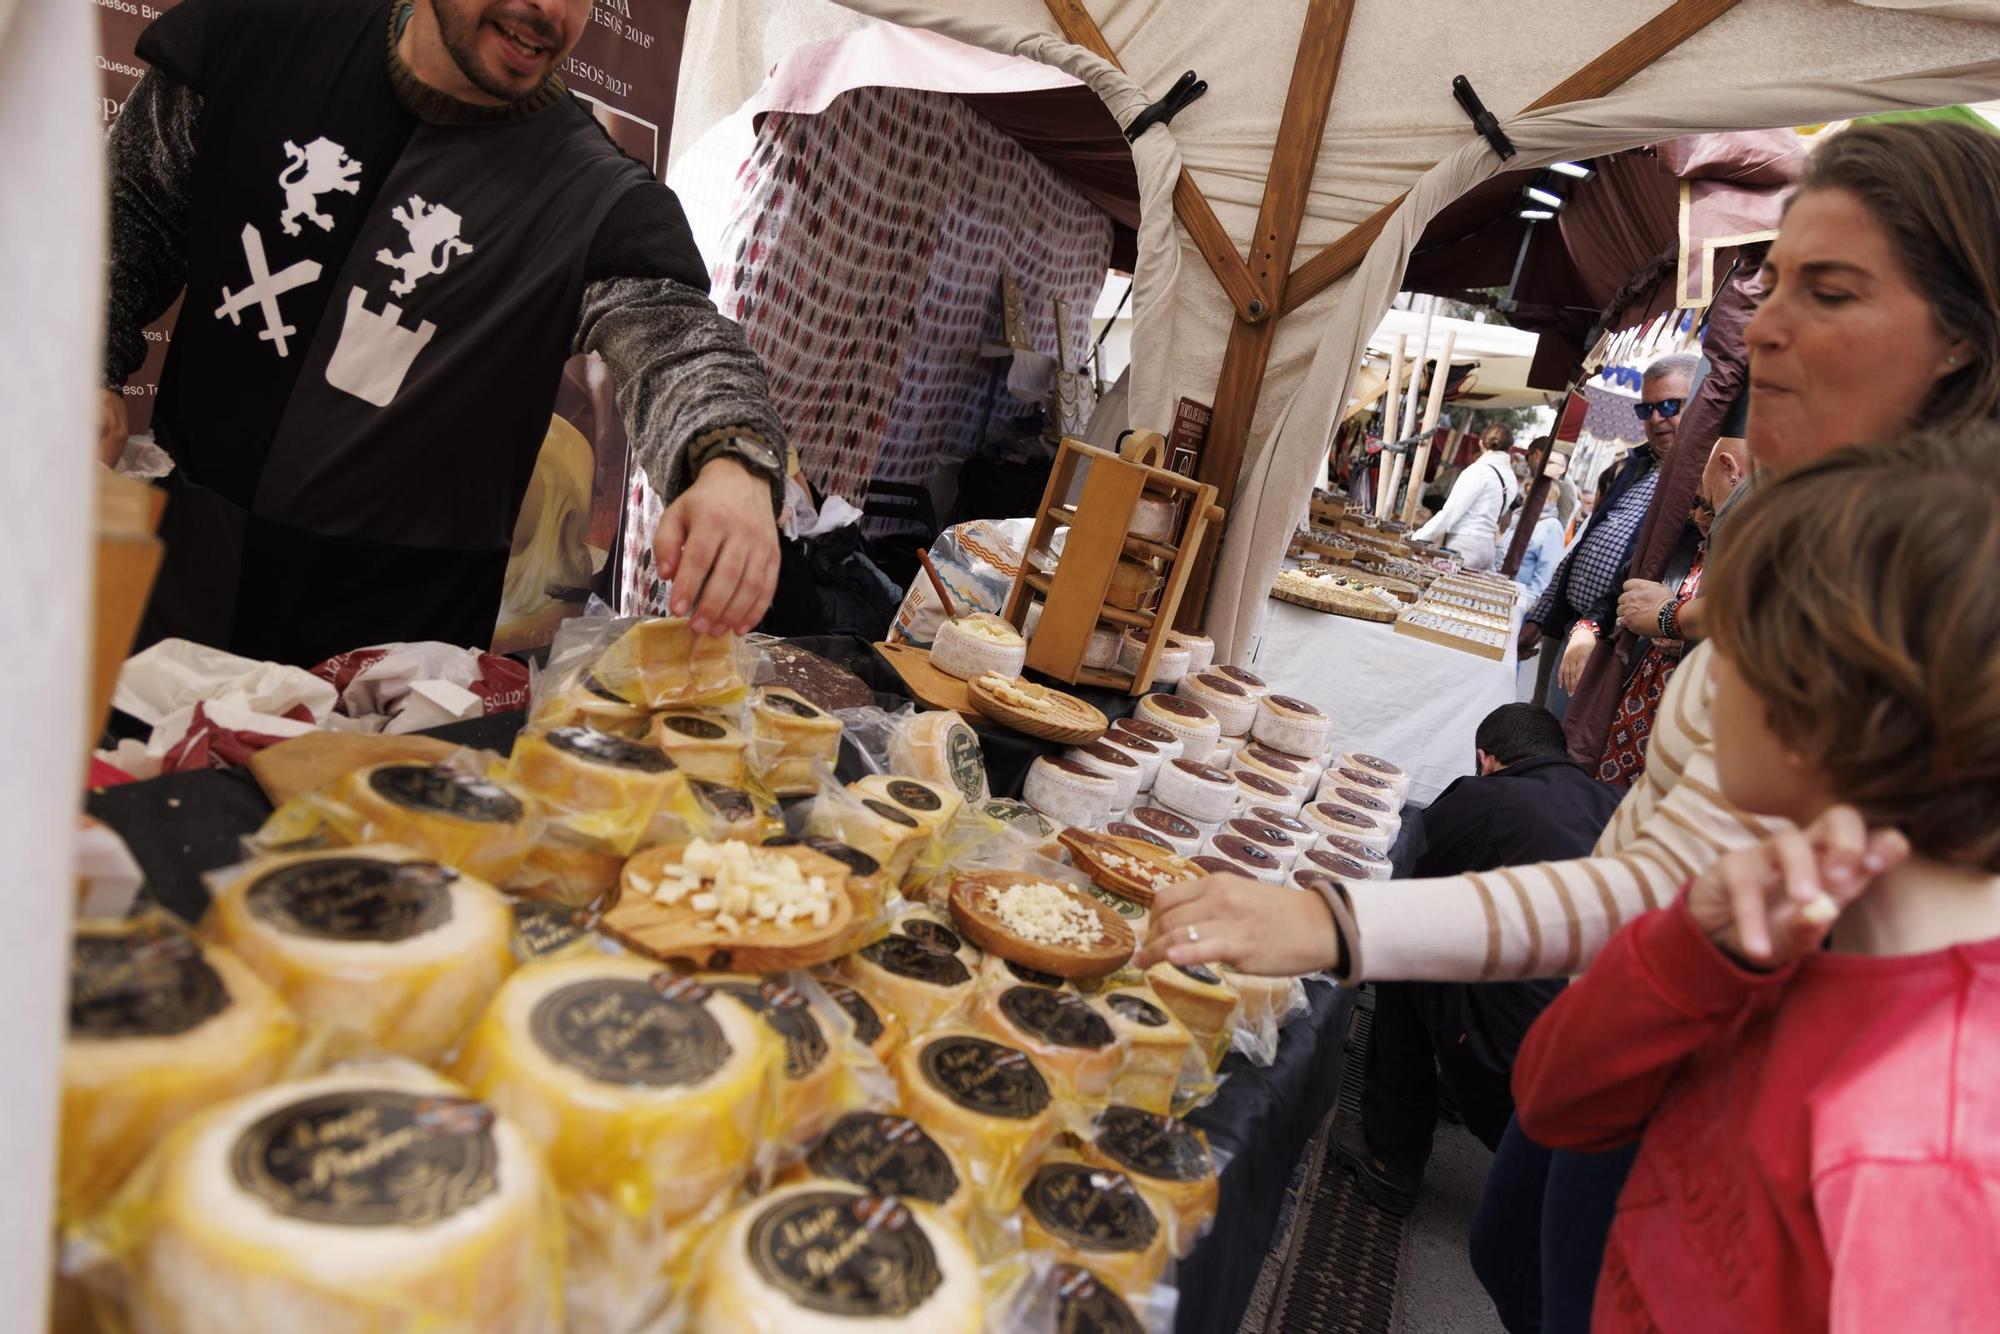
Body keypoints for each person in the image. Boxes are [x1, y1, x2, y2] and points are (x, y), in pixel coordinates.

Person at [1134, 116, 2000, 1334]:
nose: (1767, 327)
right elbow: (1646, 917)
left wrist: (1336, 923)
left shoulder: (1923, 595)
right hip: (1668, 1057)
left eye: (1831, 289)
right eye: (1770, 280)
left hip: (1733, 1126)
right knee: (1521, 1246)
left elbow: (1654, 884)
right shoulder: (1813, 528)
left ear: (1961, 338)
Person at [100, 0, 787, 667]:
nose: (549, 10)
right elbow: (120, 220)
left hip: (389, 672)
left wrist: (730, 460)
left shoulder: (592, 195)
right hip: (169, 593)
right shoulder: (258, 31)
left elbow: (681, 345)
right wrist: (86, 365)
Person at [1513, 427, 2000, 1333]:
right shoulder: (1769, 910)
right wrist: (1684, 959)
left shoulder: (1939, 1120)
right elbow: (1557, 1095)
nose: (1704, 663)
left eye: (1741, 633)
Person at [1330, 704, 1621, 1217]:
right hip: (1617, 1065)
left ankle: (1389, 1157)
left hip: (1524, 1075)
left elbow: (1411, 884)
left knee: (1403, 947)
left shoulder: (1488, 798)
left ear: (1485, 759)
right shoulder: (1617, 803)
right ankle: (1452, 1090)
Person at [1522, 354, 1697, 719]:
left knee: (1562, 742)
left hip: (1614, 639)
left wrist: (1594, 625)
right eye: (1646, 408)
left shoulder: (1696, 483)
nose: (1655, 419)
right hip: (1572, 622)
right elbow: (1582, 545)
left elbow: (1645, 573)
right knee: (1538, 725)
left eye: (1669, 405)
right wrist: (1542, 616)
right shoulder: (1636, 466)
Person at [1593, 436, 1751, 788]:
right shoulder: (1688, 545)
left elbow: (1747, 611)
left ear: (1729, 468)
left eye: (1707, 502)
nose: (1700, 513)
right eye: (1695, 504)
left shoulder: (1757, 528)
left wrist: (1669, 618)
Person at [1411, 423, 1519, 569]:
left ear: (1481, 444)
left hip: (1465, 545)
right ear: (1510, 449)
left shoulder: (1477, 471)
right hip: (1488, 548)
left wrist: (1419, 537)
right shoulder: (1511, 478)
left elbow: (1451, 512)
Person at [1502, 437, 1569, 605]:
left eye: (1528, 456)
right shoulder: (1520, 515)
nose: (1527, 462)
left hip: (1522, 598)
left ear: (1537, 454)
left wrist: (1526, 604)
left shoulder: (1551, 525)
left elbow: (1544, 575)